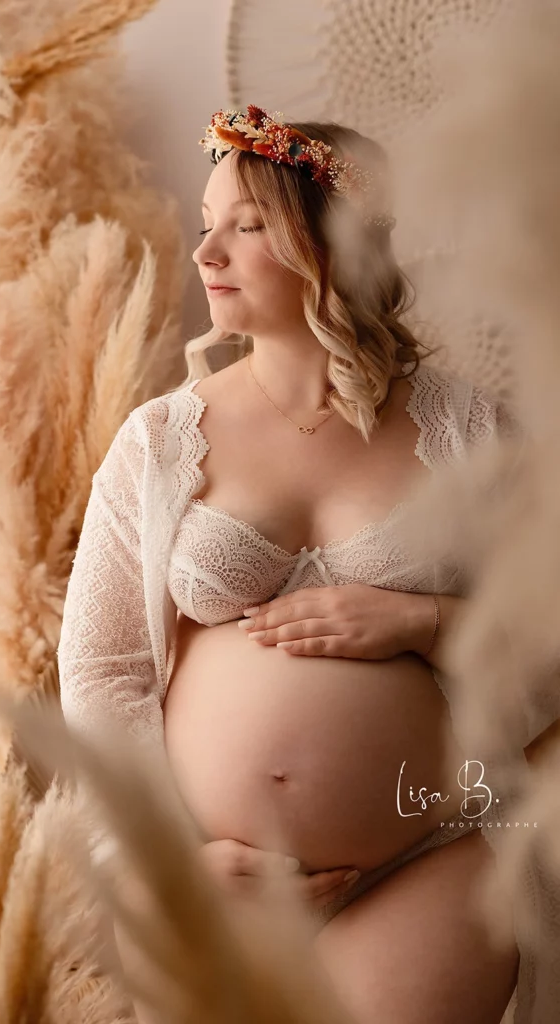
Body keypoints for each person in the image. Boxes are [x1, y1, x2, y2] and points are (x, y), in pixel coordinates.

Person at [58, 107, 527, 1023]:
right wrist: (162, 853)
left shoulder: (471, 433)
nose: (207, 254)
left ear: (337, 242)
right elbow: (101, 664)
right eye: (206, 224)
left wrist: (423, 621)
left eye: (247, 224)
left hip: (426, 858)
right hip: (210, 877)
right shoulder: (159, 440)